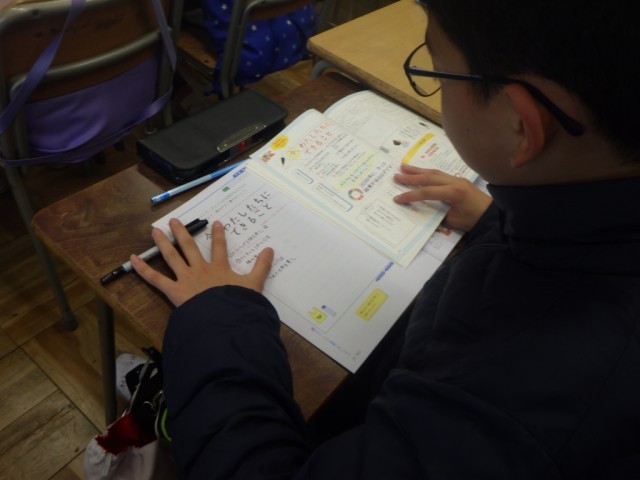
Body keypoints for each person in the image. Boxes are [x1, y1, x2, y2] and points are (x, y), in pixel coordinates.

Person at [131, 0, 640, 477]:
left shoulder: (506, 404)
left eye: (438, 72)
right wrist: (495, 222)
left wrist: (219, 316)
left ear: (521, 126)